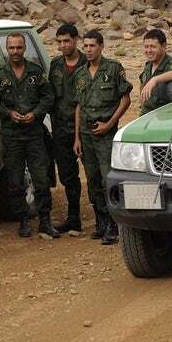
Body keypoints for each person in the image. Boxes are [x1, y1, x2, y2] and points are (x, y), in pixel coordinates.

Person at [0, 33, 59, 239]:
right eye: (12, 48)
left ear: (24, 48)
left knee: (41, 179)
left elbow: (48, 97)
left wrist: (35, 114)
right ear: (6, 49)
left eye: (19, 48)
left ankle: (45, 221)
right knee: (15, 181)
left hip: (34, 134)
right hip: (12, 135)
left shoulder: (36, 72)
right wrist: (9, 113)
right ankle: (23, 221)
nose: (15, 52)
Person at [73, 30, 132, 245]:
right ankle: (101, 221)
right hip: (87, 136)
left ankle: (114, 225)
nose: (88, 50)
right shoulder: (80, 74)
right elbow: (79, 106)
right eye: (85, 46)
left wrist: (109, 124)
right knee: (93, 180)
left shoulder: (113, 69)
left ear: (101, 46)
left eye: (92, 46)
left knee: (109, 180)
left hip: (106, 135)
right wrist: (77, 138)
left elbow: (125, 100)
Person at [47, 23, 87, 233]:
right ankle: (73, 220)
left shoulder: (88, 63)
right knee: (67, 176)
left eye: (67, 41)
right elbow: (50, 96)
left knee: (95, 175)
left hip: (86, 129)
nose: (63, 45)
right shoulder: (55, 66)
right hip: (61, 129)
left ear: (75, 40)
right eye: (59, 42)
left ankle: (106, 222)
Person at [138, 28, 172, 114]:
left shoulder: (170, 63)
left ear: (163, 46)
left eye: (153, 47)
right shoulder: (148, 66)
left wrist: (155, 80)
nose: (149, 51)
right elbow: (143, 83)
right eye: (146, 47)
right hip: (146, 115)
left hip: (164, 117)